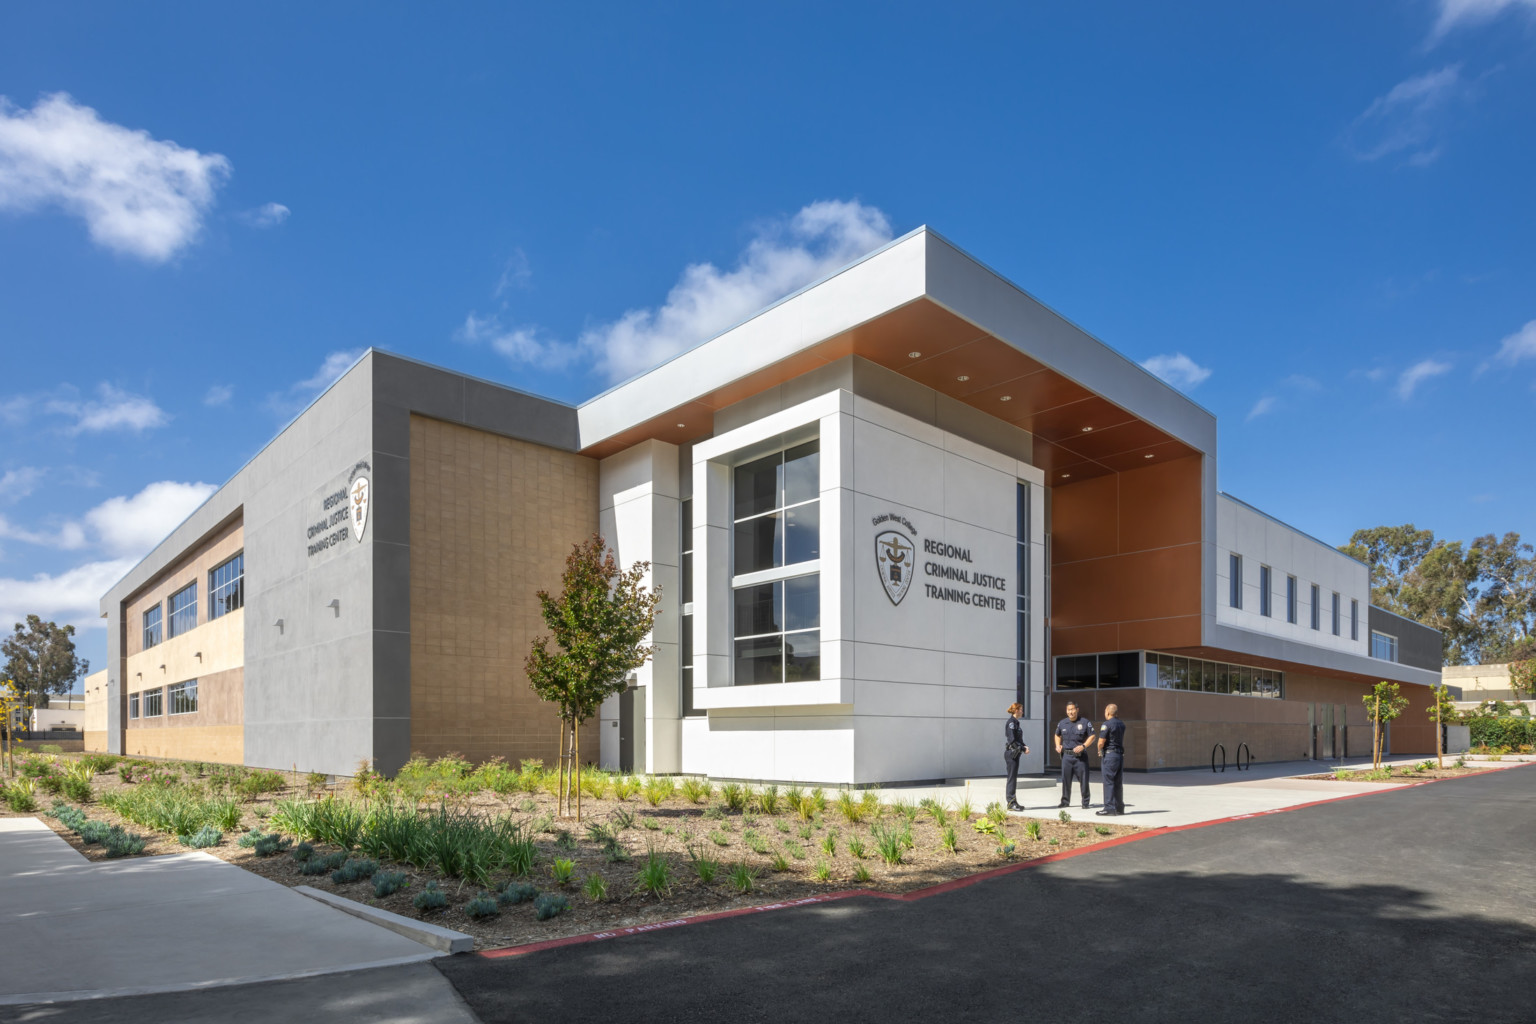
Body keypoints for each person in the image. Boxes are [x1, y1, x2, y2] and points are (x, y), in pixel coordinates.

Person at [1055, 701, 1094, 809]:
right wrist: (1058, 745)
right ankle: (1065, 801)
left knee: (1084, 780)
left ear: (1077, 710)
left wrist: (1084, 746)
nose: (1070, 712)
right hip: (1066, 756)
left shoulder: (1085, 722)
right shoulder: (1062, 723)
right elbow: (1057, 735)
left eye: (1072, 709)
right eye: (1068, 710)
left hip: (1080, 757)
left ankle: (1085, 802)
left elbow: (1092, 736)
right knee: (1065, 780)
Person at [1096, 703, 1126, 815]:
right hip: (1119, 755)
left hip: (1110, 755)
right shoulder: (1121, 724)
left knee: (1108, 781)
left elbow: (1101, 742)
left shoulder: (1106, 724)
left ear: (1108, 712)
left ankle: (1109, 808)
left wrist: (1100, 750)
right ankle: (1119, 807)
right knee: (1118, 782)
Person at [1003, 702, 1030, 811]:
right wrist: (1023, 749)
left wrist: (1024, 746)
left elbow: (1019, 740)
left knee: (1013, 778)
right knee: (1011, 779)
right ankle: (1010, 803)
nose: (1022, 712)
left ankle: (1014, 801)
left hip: (1016, 754)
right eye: (1021, 709)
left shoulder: (1016, 723)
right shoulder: (1011, 723)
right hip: (1011, 754)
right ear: (1016, 710)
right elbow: (1012, 740)